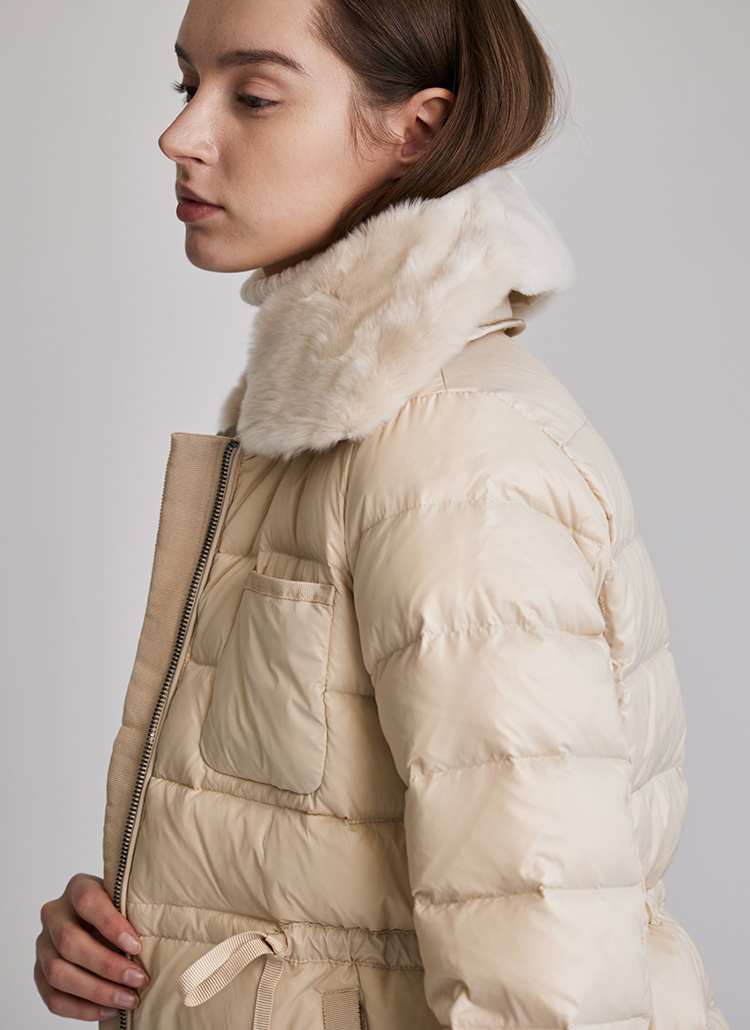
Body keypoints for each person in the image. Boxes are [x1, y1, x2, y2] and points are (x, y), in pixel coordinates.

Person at [34, 0, 731, 1027]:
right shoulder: (331, 423)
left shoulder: (450, 454)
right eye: (188, 84)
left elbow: (550, 984)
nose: (179, 134)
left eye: (253, 96)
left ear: (418, 128)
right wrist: (148, 942)